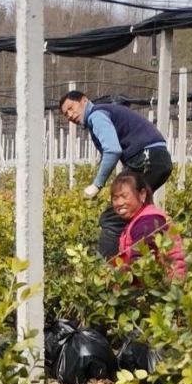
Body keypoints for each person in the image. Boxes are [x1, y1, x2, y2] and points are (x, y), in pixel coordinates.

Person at [58, 91, 171, 259]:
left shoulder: (96, 115)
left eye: (71, 108)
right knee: (141, 212)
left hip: (147, 158)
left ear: (84, 101)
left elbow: (112, 150)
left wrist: (97, 184)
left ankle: (108, 271)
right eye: (66, 114)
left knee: (114, 216)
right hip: (155, 158)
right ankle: (156, 260)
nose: (70, 116)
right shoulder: (102, 115)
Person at [110, 171, 185, 280]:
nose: (119, 203)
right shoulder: (137, 219)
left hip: (165, 288)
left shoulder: (149, 221)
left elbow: (140, 264)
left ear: (142, 194)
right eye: (115, 198)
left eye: (124, 196)